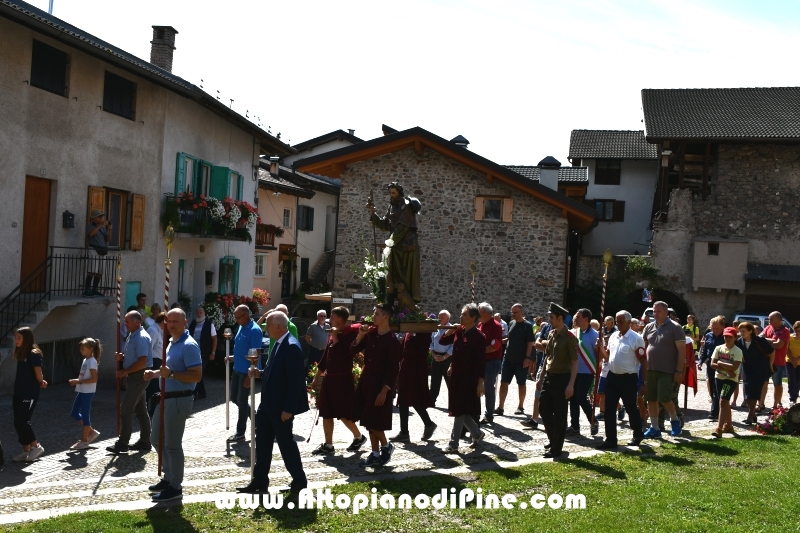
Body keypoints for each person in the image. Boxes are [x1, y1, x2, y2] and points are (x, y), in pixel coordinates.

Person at [236, 311, 309, 496]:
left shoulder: (292, 346)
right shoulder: (278, 344)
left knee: (286, 444)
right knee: (262, 443)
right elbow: (276, 371)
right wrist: (259, 373)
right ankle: (260, 480)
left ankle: (299, 481)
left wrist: (289, 409)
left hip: (281, 408)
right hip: (268, 405)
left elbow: (296, 381)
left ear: (278, 326)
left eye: (267, 325)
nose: (265, 329)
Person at [145, 308, 202, 502]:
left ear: (185, 323)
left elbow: (196, 375)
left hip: (179, 398)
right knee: (156, 439)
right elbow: (167, 371)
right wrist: (154, 374)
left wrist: (171, 375)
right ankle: (169, 477)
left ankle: (175, 486)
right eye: (168, 321)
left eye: (175, 321)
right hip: (165, 397)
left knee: (172, 444)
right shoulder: (171, 343)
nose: (170, 325)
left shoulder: (189, 345)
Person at [350, 304, 403, 467]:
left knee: (374, 420)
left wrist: (385, 390)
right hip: (367, 379)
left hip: (380, 382)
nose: (374, 316)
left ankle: (386, 446)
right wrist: (360, 335)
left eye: (377, 314)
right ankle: (375, 453)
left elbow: (393, 369)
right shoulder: (371, 334)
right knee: (367, 420)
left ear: (385, 317)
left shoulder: (393, 341)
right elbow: (353, 349)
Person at [310, 306, 367, 455]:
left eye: (332, 317)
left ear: (340, 320)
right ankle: (328, 445)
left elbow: (342, 354)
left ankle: (359, 437)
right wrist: (316, 378)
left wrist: (335, 336)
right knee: (326, 412)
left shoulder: (348, 336)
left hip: (342, 378)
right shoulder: (333, 335)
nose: (329, 319)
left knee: (343, 412)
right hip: (330, 379)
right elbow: (325, 359)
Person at [438, 303, 486, 453]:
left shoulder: (478, 337)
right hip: (457, 376)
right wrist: (451, 331)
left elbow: (481, 362)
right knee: (461, 409)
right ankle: (477, 434)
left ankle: (453, 444)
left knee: (459, 410)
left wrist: (480, 383)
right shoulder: (460, 332)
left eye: (464, 315)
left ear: (473, 318)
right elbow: (443, 341)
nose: (461, 316)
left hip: (469, 378)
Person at [366, 182, 422, 310]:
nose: (391, 195)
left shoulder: (406, 206)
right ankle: (390, 304)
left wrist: (389, 243)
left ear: (400, 193)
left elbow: (403, 227)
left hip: (407, 246)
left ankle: (407, 306)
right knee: (392, 274)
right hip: (396, 246)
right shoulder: (392, 207)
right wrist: (373, 214)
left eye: (394, 193)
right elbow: (386, 225)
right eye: (390, 193)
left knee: (405, 275)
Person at [596, 311, 646, 449]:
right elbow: (607, 357)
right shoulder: (613, 336)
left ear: (629, 323)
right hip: (612, 376)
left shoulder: (636, 339)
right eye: (617, 321)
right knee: (609, 408)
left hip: (628, 378)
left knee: (631, 408)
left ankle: (638, 433)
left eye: (620, 322)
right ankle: (611, 439)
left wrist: (644, 382)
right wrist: (600, 348)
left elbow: (644, 360)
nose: (618, 324)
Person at [536, 303, 578, 458]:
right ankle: (554, 439)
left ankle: (556, 448)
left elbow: (574, 363)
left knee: (560, 414)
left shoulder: (569, 338)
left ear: (560, 318)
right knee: (543, 410)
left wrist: (571, 385)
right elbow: (548, 356)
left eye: (552, 317)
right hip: (549, 377)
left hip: (562, 379)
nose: (549, 319)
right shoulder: (552, 334)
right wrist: (540, 377)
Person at [107, 310, 153, 453]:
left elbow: (142, 361)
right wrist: (122, 357)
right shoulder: (132, 335)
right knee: (140, 410)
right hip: (135, 376)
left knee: (126, 409)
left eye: (127, 321)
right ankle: (145, 441)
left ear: (136, 322)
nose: (124, 324)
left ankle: (123, 443)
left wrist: (125, 371)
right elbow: (134, 356)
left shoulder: (141, 337)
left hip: (139, 376)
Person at [642, 301, 686, 438]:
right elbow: (643, 347)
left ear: (666, 312)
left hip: (668, 370)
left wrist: (679, 370)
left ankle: (675, 421)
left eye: (658, 311)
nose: (655, 314)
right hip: (650, 369)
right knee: (651, 399)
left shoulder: (675, 327)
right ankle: (654, 428)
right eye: (654, 311)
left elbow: (681, 351)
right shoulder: (648, 327)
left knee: (665, 398)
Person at [227, 304, 263, 443]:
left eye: (238, 317)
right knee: (234, 398)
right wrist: (232, 357)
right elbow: (242, 348)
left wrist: (250, 374)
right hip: (237, 369)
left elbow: (256, 354)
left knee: (242, 401)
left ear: (246, 315)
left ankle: (240, 432)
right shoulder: (242, 326)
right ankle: (256, 419)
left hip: (246, 371)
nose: (236, 320)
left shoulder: (254, 330)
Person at [11, 327, 47, 462]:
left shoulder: (33, 353)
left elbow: (38, 372)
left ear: (26, 339)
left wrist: (40, 381)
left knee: (22, 421)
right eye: (15, 337)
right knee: (17, 422)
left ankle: (36, 446)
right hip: (19, 392)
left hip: (29, 393)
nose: (16, 340)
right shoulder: (21, 352)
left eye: (19, 338)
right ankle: (25, 450)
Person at [394, 331, 437, 442]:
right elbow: (403, 349)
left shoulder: (424, 331)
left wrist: (414, 333)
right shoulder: (408, 331)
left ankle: (428, 424)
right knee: (403, 398)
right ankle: (404, 432)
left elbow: (420, 349)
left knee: (415, 398)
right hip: (406, 367)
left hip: (416, 369)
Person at [497, 304, 535, 416]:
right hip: (508, 359)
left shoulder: (527, 326)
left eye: (515, 312)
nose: (513, 314)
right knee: (503, 382)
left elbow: (530, 343)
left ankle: (521, 406)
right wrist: (502, 340)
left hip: (521, 360)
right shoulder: (511, 323)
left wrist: (527, 358)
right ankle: (500, 407)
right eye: (512, 312)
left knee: (521, 383)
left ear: (521, 312)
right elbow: (511, 337)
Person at [569, 309, 601, 436]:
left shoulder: (594, 335)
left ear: (586, 319)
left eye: (578, 317)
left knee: (581, 397)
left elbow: (599, 356)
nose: (575, 319)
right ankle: (574, 426)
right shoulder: (573, 333)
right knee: (572, 399)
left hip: (587, 371)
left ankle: (593, 421)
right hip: (574, 371)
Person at [735, 321, 774, 425]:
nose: (741, 333)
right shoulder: (739, 341)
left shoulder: (759, 340)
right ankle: (753, 415)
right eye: (740, 331)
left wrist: (770, 364)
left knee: (753, 393)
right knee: (747, 393)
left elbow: (771, 350)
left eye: (743, 331)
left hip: (759, 369)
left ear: (750, 331)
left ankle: (750, 416)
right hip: (747, 369)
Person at [68, 338, 102, 450]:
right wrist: (77, 381)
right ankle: (91, 432)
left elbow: (94, 379)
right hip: (82, 390)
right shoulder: (86, 360)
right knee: (74, 413)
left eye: (83, 348)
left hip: (88, 391)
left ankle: (84, 441)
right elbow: (84, 376)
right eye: (80, 348)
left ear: (91, 349)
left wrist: (78, 381)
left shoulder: (92, 361)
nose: (81, 349)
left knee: (85, 415)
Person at [710, 327, 743, 437]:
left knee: (723, 401)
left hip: (731, 380)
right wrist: (727, 368)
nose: (727, 338)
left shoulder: (738, 351)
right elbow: (712, 364)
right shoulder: (719, 348)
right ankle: (729, 425)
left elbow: (735, 366)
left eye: (730, 336)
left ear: (735, 338)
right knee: (725, 401)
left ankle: (719, 428)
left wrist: (720, 364)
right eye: (725, 336)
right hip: (719, 378)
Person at [520, 316, 552, 429]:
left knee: (551, 396)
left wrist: (544, 342)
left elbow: (555, 347)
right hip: (543, 364)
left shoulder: (564, 330)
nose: (550, 319)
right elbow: (536, 344)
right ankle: (534, 419)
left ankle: (552, 422)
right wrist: (548, 343)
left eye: (551, 316)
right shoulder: (546, 327)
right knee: (538, 391)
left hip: (555, 368)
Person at [477, 302, 503, 425]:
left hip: (491, 361)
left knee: (488, 388)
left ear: (484, 313)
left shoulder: (496, 326)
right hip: (481, 360)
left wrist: (479, 350)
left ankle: (489, 414)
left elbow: (495, 346)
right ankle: (475, 412)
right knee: (477, 386)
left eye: (479, 311)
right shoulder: (480, 325)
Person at [697, 316, 726, 421]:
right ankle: (715, 412)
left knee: (720, 389)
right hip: (710, 364)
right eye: (713, 328)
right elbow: (705, 350)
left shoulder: (726, 337)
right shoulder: (708, 335)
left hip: (723, 364)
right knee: (713, 388)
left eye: (717, 328)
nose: (715, 330)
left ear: (723, 327)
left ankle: (716, 412)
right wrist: (700, 362)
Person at [188, 306, 217, 400]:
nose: (199, 314)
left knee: (199, 372)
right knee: (197, 372)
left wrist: (213, 352)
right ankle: (202, 392)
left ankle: (194, 392)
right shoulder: (193, 323)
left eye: (201, 312)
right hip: (193, 352)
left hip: (204, 353)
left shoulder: (209, 325)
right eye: (197, 312)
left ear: (204, 314)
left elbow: (214, 339)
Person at [763, 311, 791, 409]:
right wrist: (772, 341)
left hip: (778, 362)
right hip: (765, 361)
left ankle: (776, 404)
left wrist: (766, 342)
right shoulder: (768, 328)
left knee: (777, 384)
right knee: (763, 382)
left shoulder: (785, 331)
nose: (769, 321)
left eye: (771, 319)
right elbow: (759, 339)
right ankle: (761, 404)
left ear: (779, 320)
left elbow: (779, 345)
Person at [84, 209, 110, 297]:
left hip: (102, 250)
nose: (102, 218)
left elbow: (107, 239)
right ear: (94, 218)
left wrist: (110, 230)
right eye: (100, 216)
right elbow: (91, 234)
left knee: (100, 271)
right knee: (92, 270)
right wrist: (100, 226)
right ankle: (87, 290)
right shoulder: (90, 226)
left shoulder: (103, 228)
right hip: (93, 249)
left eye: (102, 216)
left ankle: (94, 289)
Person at [429, 310, 454, 404]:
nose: (439, 319)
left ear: (447, 318)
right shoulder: (437, 328)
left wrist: (444, 357)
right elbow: (431, 342)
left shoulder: (451, 328)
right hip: (436, 356)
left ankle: (452, 402)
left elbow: (453, 345)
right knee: (435, 380)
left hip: (447, 358)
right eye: (439, 316)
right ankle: (432, 400)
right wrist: (433, 354)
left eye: (441, 317)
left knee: (449, 381)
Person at [145, 310, 166, 408]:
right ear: (162, 321)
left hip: (158, 360)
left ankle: (152, 406)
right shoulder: (153, 330)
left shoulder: (159, 330)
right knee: (153, 387)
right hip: (154, 361)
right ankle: (147, 406)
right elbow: (149, 348)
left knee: (156, 386)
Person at [788, 321, 800, 405]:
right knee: (792, 380)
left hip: (799, 362)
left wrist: (797, 359)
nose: (798, 333)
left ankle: (796, 395)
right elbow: (787, 349)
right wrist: (792, 359)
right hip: (789, 361)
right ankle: (792, 397)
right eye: (796, 330)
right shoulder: (790, 337)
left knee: (798, 381)